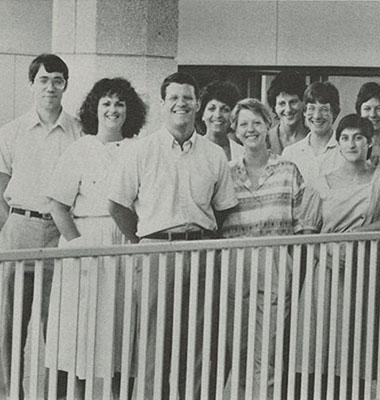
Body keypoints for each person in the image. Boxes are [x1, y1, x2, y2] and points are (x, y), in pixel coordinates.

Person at [108, 72, 238, 398]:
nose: (182, 104)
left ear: (197, 104)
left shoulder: (213, 154)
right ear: (163, 104)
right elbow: (118, 206)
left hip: (201, 252)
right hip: (155, 251)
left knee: (200, 338)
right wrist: (144, 242)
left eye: (188, 98)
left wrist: (202, 237)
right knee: (154, 340)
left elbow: (222, 208)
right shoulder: (140, 151)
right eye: (174, 98)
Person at [44, 78, 146, 397]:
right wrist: (78, 245)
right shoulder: (80, 149)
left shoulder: (139, 149)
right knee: (81, 330)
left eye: (119, 103)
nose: (112, 110)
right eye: (106, 103)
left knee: (123, 327)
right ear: (94, 108)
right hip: (85, 241)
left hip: (127, 240)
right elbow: (58, 205)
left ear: (130, 111)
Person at [296, 114, 380, 397]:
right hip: (327, 272)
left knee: (357, 348)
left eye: (358, 137)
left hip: (365, 272)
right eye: (345, 137)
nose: (351, 143)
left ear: (370, 142)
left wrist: (357, 238)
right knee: (319, 344)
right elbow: (308, 231)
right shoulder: (321, 182)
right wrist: (326, 254)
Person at [221, 98, 321, 399]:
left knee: (268, 348)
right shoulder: (225, 172)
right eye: (243, 124)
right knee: (236, 346)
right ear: (235, 131)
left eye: (256, 123)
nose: (250, 130)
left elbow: (303, 224)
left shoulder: (288, 170)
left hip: (277, 267)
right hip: (234, 266)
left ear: (268, 126)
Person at [0, 53, 82, 398]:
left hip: (60, 234)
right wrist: (9, 229)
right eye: (44, 80)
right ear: (32, 83)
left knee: (60, 328)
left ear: (65, 85)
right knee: (8, 327)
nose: (51, 87)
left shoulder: (79, 130)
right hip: (19, 228)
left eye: (58, 80)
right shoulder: (11, 132)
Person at [281, 81, 344, 194]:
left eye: (324, 109)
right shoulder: (290, 154)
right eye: (311, 108)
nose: (317, 116)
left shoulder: (345, 151)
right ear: (304, 112)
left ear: (335, 113)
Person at [198, 80, 243, 161]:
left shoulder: (242, 152)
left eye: (225, 110)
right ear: (202, 115)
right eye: (212, 109)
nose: (218, 115)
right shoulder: (192, 150)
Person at [266, 71, 309, 154]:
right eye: (282, 103)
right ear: (274, 107)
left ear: (303, 103)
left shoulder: (313, 138)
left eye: (293, 102)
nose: (288, 109)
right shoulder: (265, 139)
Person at [355, 82, 380, 166]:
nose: (373, 114)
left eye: (379, 108)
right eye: (367, 109)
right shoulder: (352, 146)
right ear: (360, 112)